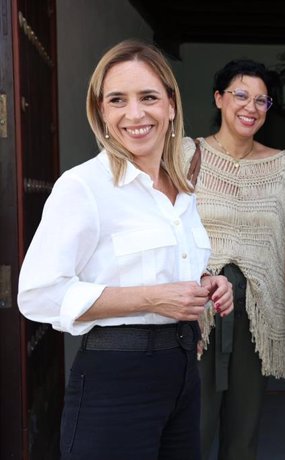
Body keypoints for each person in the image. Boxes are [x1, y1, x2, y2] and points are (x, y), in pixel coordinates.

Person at [17, 40, 233, 460]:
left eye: (148, 97)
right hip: (116, 382)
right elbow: (38, 293)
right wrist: (152, 299)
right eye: (118, 100)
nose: (134, 114)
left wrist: (208, 283)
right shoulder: (83, 187)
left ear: (171, 105)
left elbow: (169, 270)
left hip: (183, 373)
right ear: (101, 111)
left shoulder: (182, 188)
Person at [187, 58, 285, 460]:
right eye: (241, 95)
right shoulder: (187, 155)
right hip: (199, 308)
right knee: (195, 424)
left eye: (262, 101)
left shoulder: (280, 165)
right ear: (219, 98)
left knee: (243, 432)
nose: (251, 107)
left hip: (258, 313)